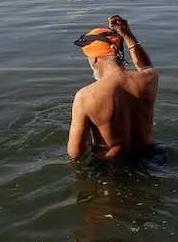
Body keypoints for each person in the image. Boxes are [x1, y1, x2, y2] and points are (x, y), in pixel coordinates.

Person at [68, 15, 159, 161]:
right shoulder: (150, 78)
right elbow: (146, 66)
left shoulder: (85, 96)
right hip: (150, 156)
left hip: (112, 168)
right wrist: (127, 35)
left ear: (95, 59)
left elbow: (75, 152)